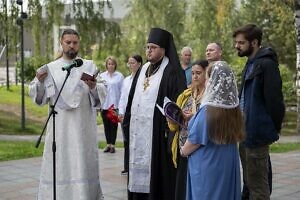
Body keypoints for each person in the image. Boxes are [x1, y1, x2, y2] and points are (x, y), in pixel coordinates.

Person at [28, 29, 106, 200]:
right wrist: (40, 82)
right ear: (61, 43)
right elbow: (37, 96)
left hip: (83, 129)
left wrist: (93, 86)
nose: (72, 45)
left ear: (79, 43)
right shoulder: (50, 68)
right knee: (59, 164)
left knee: (82, 163)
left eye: (75, 42)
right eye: (68, 42)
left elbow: (102, 93)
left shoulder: (89, 66)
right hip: (60, 130)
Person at [123, 27, 186, 200]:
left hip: (158, 136)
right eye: (147, 47)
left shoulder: (172, 72)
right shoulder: (143, 70)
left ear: (164, 49)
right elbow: (131, 99)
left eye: (153, 47)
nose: (149, 50)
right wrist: (127, 122)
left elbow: (178, 104)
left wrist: (169, 131)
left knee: (158, 180)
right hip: (138, 134)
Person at [233, 24, 285, 200]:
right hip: (244, 132)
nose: (236, 46)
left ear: (254, 42)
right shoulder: (251, 63)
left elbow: (275, 101)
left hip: (257, 133)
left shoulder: (267, 64)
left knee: (258, 186)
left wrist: (272, 128)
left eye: (241, 43)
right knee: (249, 182)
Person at [181, 61, 245, 200]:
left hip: (208, 167)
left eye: (208, 78)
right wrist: (195, 118)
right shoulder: (234, 109)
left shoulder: (207, 111)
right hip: (227, 164)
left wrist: (182, 150)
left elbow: (191, 145)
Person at [168, 59, 208, 200]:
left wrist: (193, 118)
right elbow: (173, 127)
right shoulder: (184, 95)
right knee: (182, 187)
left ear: (206, 74)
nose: (195, 76)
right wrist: (172, 118)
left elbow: (207, 123)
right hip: (182, 148)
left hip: (199, 149)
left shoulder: (209, 98)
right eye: (193, 73)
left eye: (199, 73)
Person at [118, 54, 143, 175]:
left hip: (138, 114)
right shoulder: (126, 80)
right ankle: (127, 166)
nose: (130, 65)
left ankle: (137, 164)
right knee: (126, 140)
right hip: (127, 115)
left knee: (137, 140)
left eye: (133, 63)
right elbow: (123, 97)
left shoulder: (143, 80)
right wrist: (121, 112)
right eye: (129, 63)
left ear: (139, 64)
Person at [99, 56, 124, 153]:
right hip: (104, 105)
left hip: (114, 106)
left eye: (112, 64)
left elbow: (122, 91)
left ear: (115, 65)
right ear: (106, 65)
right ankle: (108, 144)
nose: (111, 66)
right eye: (109, 64)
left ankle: (113, 145)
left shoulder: (119, 76)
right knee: (106, 126)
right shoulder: (102, 76)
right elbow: (99, 91)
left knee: (113, 126)